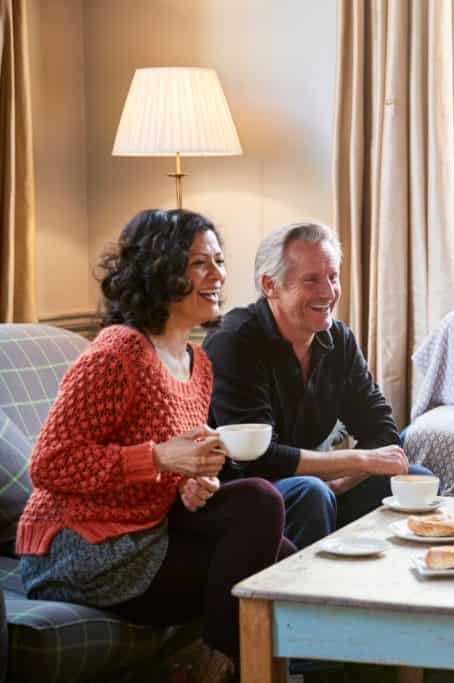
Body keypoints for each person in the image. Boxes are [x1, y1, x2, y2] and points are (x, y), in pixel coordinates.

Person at [17, 209, 293, 683]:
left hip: (149, 529)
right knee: (260, 505)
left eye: (220, 261)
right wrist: (161, 456)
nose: (218, 275)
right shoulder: (115, 354)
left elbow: (168, 480)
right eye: (200, 263)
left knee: (283, 557)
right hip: (83, 549)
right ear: (162, 270)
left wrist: (192, 485)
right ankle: (219, 663)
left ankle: (224, 664)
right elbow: (49, 464)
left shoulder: (198, 363)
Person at [204, 221, 429, 550]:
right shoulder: (234, 341)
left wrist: (344, 479)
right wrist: (358, 462)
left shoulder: (338, 339)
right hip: (247, 492)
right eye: (311, 279)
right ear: (270, 285)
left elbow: (381, 428)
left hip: (317, 489)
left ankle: (386, 595)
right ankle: (304, 598)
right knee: (311, 491)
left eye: (333, 277)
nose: (328, 292)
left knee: (415, 479)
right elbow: (259, 457)